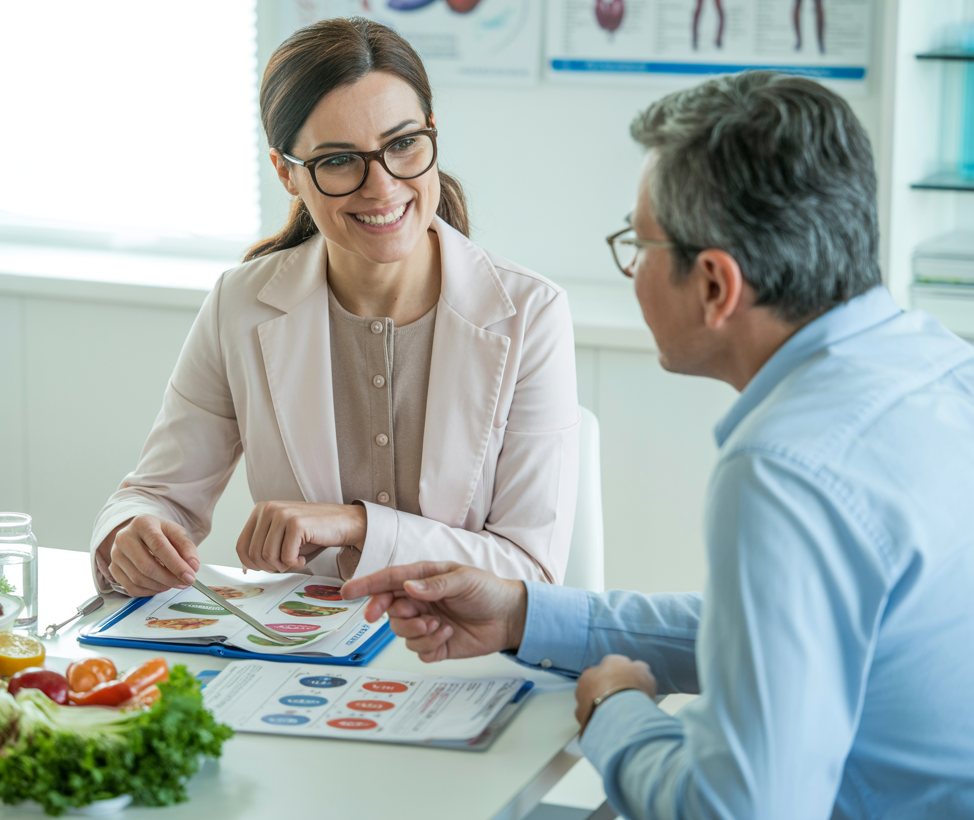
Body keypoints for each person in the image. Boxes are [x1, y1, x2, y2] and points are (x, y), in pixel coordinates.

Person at [344, 71, 974, 818]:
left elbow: (731, 808)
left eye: (639, 244)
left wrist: (615, 710)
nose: (633, 269)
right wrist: (523, 614)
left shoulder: (786, 468)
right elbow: (777, 637)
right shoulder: (941, 364)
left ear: (714, 285)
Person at [89, 17, 580, 598]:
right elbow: (158, 495)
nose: (381, 186)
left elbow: (531, 569)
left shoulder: (530, 312)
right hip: (301, 644)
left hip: (458, 641)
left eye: (403, 144)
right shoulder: (239, 304)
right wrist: (131, 535)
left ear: (431, 133)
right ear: (287, 173)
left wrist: (357, 526)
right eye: (340, 159)